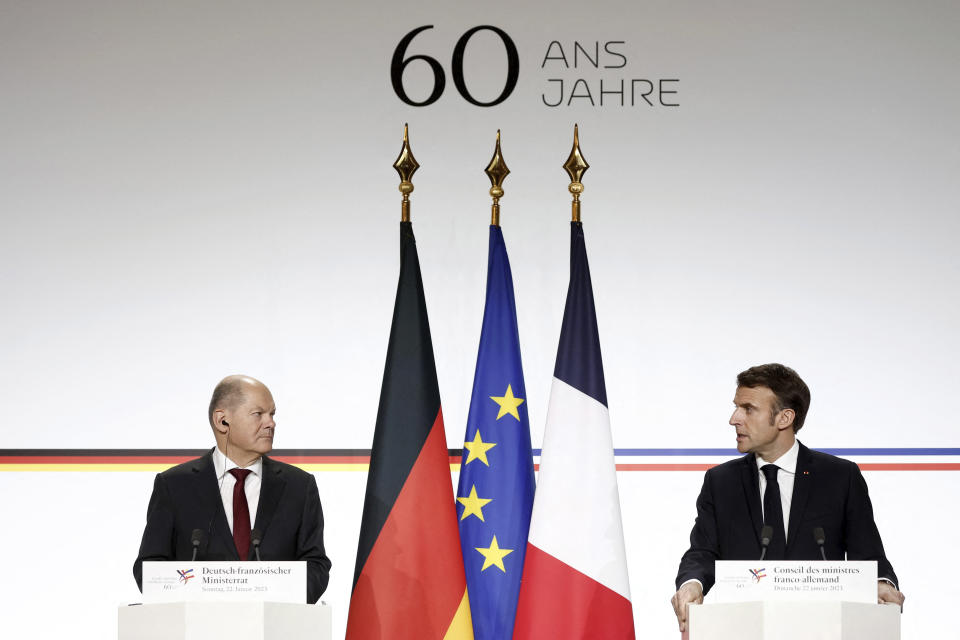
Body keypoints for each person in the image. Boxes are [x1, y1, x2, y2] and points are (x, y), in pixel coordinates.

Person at [670, 363, 904, 632]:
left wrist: (883, 583)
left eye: (748, 408)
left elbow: (870, 556)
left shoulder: (840, 477)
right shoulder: (720, 481)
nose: (734, 418)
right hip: (744, 629)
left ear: (784, 418)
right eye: (736, 406)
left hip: (822, 628)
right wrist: (691, 584)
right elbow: (702, 552)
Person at [133, 375, 331, 603]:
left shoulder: (299, 486)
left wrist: (271, 596)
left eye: (272, 414)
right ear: (222, 421)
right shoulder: (174, 485)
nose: (271, 423)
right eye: (258, 414)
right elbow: (149, 569)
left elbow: (316, 566)